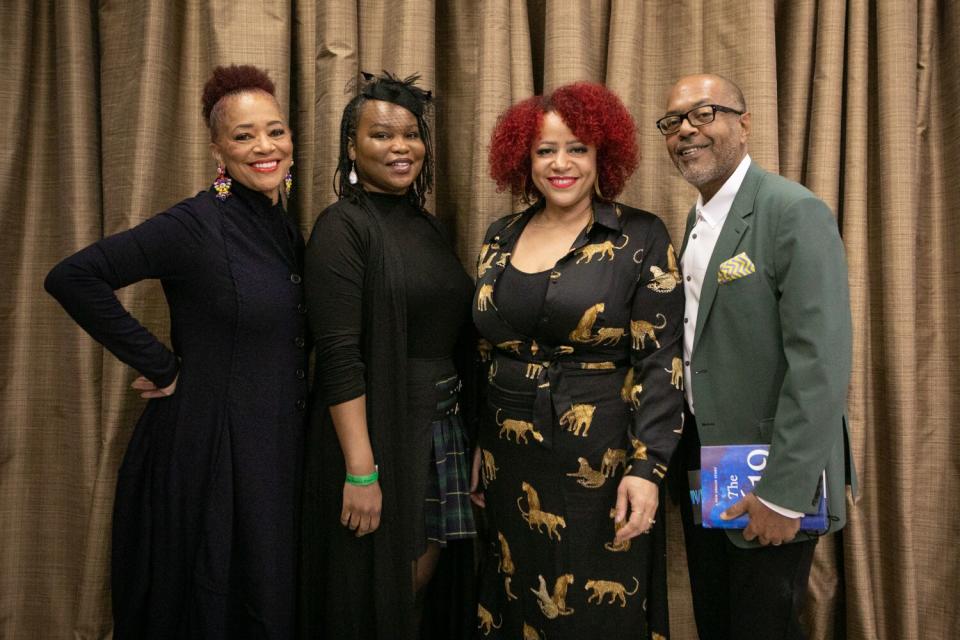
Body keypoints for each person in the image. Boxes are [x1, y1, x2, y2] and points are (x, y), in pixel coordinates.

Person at [44, 64, 305, 638]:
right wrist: (160, 364)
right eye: (244, 135)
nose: (265, 146)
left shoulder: (279, 225)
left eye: (276, 131)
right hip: (210, 452)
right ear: (218, 149)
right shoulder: (195, 223)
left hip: (273, 449)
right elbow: (73, 276)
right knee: (215, 603)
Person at [470, 82, 684, 639]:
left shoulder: (640, 235)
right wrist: (480, 444)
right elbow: (487, 350)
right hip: (509, 458)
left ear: (601, 156)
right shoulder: (500, 236)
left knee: (594, 607)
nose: (560, 164)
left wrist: (647, 469)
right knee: (516, 597)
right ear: (524, 158)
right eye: (545, 150)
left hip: (602, 457)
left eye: (577, 148)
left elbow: (662, 362)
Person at [658, 73, 856, 639]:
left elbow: (820, 365)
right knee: (717, 621)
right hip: (707, 460)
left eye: (704, 113)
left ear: (744, 124)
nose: (685, 131)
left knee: (763, 627)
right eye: (672, 122)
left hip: (770, 469)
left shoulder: (792, 210)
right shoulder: (697, 220)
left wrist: (784, 492)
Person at [299, 72, 477, 640]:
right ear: (352, 148)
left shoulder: (426, 226)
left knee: (417, 597)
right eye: (381, 135)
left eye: (411, 135)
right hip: (378, 436)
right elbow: (337, 354)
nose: (400, 147)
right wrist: (360, 470)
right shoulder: (341, 228)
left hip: (437, 431)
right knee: (380, 595)